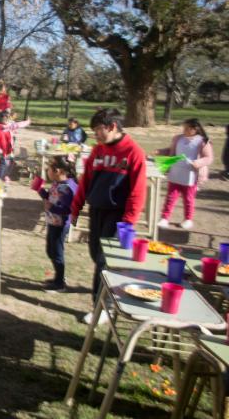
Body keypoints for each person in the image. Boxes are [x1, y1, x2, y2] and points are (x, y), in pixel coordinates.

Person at [71, 108, 146, 325]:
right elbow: (85, 181)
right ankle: (110, 293)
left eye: (98, 131)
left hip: (118, 216)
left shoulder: (134, 152)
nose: (96, 136)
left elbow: (138, 191)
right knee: (96, 255)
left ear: (112, 127)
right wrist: (75, 208)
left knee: (104, 261)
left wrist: (128, 222)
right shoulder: (98, 151)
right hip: (97, 210)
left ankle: (102, 307)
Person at [156, 118, 214, 230]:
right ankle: (164, 218)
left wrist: (198, 163)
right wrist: (160, 151)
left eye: (187, 128)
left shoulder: (203, 141)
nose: (184, 130)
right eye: (184, 127)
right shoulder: (178, 139)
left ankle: (188, 219)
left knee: (188, 199)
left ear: (195, 129)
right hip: (175, 172)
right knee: (170, 197)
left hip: (191, 176)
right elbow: (171, 151)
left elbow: (208, 158)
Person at [36, 157, 78, 293]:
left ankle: (59, 284)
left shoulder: (67, 188)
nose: (47, 170)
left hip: (60, 224)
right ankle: (58, 277)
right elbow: (50, 197)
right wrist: (40, 190)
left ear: (58, 171)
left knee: (57, 252)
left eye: (49, 168)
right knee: (50, 250)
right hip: (52, 221)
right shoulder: (57, 183)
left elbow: (68, 209)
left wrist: (52, 208)